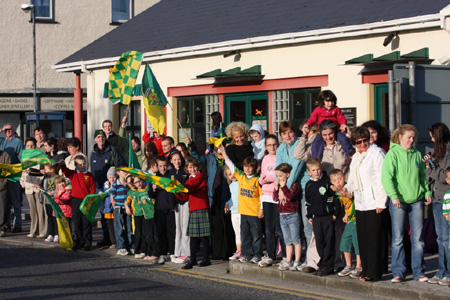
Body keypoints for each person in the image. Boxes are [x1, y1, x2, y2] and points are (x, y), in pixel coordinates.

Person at [381, 124, 432, 283]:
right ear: (401, 137)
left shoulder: (417, 154)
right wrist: (394, 196)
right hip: (399, 202)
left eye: (413, 137)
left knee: (418, 239)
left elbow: (422, 176)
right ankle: (398, 272)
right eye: (409, 137)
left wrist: (427, 192)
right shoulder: (393, 153)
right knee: (398, 239)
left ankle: (419, 272)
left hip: (416, 200)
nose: (412, 140)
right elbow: (386, 177)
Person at [189, 137, 234, 261]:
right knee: (217, 226)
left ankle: (227, 252)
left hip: (227, 196)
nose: (220, 148)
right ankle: (216, 252)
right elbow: (198, 158)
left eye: (222, 146)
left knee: (227, 226)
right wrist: (192, 145)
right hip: (213, 197)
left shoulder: (228, 160)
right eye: (218, 146)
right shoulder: (211, 159)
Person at [221, 144, 263, 264]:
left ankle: (257, 254)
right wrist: (224, 153)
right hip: (243, 211)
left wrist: (261, 209)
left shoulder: (257, 180)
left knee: (256, 235)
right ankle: (247, 254)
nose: (247, 169)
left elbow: (262, 196)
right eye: (245, 167)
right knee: (245, 235)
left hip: (254, 212)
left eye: (250, 167)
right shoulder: (241, 177)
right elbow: (231, 166)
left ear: (254, 168)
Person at [423, 123, 450, 285]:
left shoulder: (448, 152)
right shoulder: (438, 152)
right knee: (441, 238)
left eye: (432, 136)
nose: (431, 138)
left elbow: (443, 177)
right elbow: (431, 177)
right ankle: (441, 271)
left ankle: (447, 272)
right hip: (437, 198)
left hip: (446, 199)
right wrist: (428, 165)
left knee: (446, 239)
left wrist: (432, 166)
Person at [305, 158, 340, 276]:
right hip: (316, 218)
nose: (316, 172)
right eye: (313, 170)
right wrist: (309, 215)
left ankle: (328, 265)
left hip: (328, 217)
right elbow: (308, 202)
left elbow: (335, 198)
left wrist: (335, 214)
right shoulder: (309, 185)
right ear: (309, 172)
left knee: (329, 241)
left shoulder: (326, 182)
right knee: (319, 242)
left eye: (318, 169)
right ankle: (322, 264)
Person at [175, 157, 212, 269]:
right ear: (187, 169)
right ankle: (193, 259)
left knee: (204, 236)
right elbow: (185, 195)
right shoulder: (189, 180)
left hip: (201, 207)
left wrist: (180, 187)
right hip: (193, 209)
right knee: (193, 236)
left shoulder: (199, 177)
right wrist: (176, 191)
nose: (193, 169)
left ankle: (206, 259)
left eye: (194, 166)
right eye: (190, 167)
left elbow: (191, 186)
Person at [90, 129, 124, 247]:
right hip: (99, 188)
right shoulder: (93, 153)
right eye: (98, 137)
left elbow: (120, 165)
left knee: (113, 214)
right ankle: (106, 237)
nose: (101, 139)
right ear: (95, 139)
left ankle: (116, 239)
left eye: (103, 137)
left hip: (111, 187)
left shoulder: (112, 150)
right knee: (104, 213)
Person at [258, 134, 286, 268]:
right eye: (269, 145)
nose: (272, 147)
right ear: (265, 146)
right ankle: (270, 254)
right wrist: (264, 179)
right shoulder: (265, 158)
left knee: (279, 229)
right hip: (266, 196)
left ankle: (285, 255)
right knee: (268, 228)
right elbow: (262, 176)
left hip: (278, 195)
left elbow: (278, 175)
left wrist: (268, 177)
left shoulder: (280, 156)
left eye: (274, 144)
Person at [329, 169, 362, 279]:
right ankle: (349, 265)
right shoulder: (339, 193)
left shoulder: (347, 188)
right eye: (335, 180)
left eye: (340, 179)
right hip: (349, 219)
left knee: (357, 244)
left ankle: (359, 266)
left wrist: (337, 190)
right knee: (345, 242)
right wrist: (346, 215)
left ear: (344, 178)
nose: (338, 182)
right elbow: (347, 205)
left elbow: (351, 199)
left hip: (356, 219)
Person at [303, 90, 353, 159]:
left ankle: (350, 153)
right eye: (327, 101)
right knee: (316, 143)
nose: (330, 104)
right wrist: (308, 124)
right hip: (322, 131)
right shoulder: (318, 110)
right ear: (322, 101)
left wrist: (343, 125)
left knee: (343, 138)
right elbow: (312, 119)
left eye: (332, 101)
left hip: (336, 130)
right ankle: (316, 159)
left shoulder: (336, 109)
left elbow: (341, 118)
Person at [60, 155, 96, 251]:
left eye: (84, 164)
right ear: (76, 165)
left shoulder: (89, 175)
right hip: (75, 200)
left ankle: (88, 242)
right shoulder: (73, 174)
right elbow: (65, 171)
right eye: (80, 164)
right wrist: (62, 164)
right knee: (77, 221)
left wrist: (91, 199)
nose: (82, 166)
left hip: (86, 200)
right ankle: (80, 241)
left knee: (86, 222)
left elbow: (92, 188)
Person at [273, 163, 301, 271]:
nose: (278, 178)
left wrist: (283, 187)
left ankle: (297, 260)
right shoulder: (280, 186)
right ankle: (288, 260)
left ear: (288, 174)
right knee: (287, 240)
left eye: (280, 175)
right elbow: (275, 199)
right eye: (277, 176)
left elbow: (290, 197)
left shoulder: (294, 185)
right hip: (282, 215)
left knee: (296, 239)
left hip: (292, 215)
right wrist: (276, 188)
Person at [150, 156, 176, 265]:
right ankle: (162, 254)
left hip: (170, 208)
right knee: (160, 232)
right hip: (159, 208)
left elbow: (175, 191)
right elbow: (150, 194)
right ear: (157, 166)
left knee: (171, 232)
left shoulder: (171, 176)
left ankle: (173, 252)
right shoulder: (155, 177)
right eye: (160, 166)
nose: (163, 168)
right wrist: (154, 188)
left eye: (165, 165)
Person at [20, 137, 46, 238]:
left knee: (40, 209)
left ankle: (43, 231)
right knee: (32, 210)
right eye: (28, 146)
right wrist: (23, 183)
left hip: (38, 186)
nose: (30, 147)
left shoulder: (40, 157)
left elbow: (43, 172)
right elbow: (21, 173)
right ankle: (33, 230)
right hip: (28, 187)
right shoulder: (24, 158)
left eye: (32, 145)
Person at [0, 123, 24, 232]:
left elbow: (21, 158)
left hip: (13, 174)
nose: (8, 131)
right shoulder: (2, 141)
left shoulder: (17, 142)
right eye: (6, 130)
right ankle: (6, 224)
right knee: (4, 202)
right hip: (3, 176)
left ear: (14, 130)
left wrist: (20, 173)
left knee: (15, 201)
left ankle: (17, 224)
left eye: (10, 129)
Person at [167, 151, 190, 263]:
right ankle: (178, 252)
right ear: (171, 161)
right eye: (174, 159)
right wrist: (171, 205)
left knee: (185, 226)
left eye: (179, 159)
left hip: (185, 201)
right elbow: (170, 190)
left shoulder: (185, 171)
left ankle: (186, 253)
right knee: (178, 228)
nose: (177, 161)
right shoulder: (170, 172)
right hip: (176, 203)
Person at [111, 164, 133, 256]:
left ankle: (131, 246)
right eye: (123, 171)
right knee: (119, 228)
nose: (125, 173)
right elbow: (112, 197)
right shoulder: (115, 185)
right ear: (118, 172)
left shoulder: (129, 185)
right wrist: (114, 207)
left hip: (127, 209)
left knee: (129, 228)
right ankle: (120, 247)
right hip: (118, 208)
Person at [224, 165, 241, 260]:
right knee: (237, 232)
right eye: (229, 174)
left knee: (243, 232)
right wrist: (227, 204)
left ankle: (244, 250)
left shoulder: (241, 183)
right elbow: (232, 198)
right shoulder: (231, 185)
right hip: (233, 211)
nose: (232, 175)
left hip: (242, 210)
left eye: (233, 173)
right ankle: (239, 251)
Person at [41, 164, 59, 243]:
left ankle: (57, 234)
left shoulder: (58, 178)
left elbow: (59, 189)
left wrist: (53, 193)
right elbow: (44, 188)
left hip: (54, 200)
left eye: (47, 169)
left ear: (52, 169)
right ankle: (50, 233)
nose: (45, 171)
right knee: (49, 217)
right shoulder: (46, 178)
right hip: (47, 200)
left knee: (55, 217)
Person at [103, 167, 117, 249]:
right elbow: (106, 192)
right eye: (110, 177)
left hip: (115, 208)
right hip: (108, 209)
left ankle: (118, 241)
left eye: (113, 177)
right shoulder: (105, 185)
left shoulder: (118, 184)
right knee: (110, 227)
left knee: (117, 226)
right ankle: (113, 242)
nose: (112, 179)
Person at [0, 149, 11, 237]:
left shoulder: (5, 155)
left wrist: (3, 184)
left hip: (2, 186)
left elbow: (8, 172)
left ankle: (2, 228)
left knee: (3, 208)